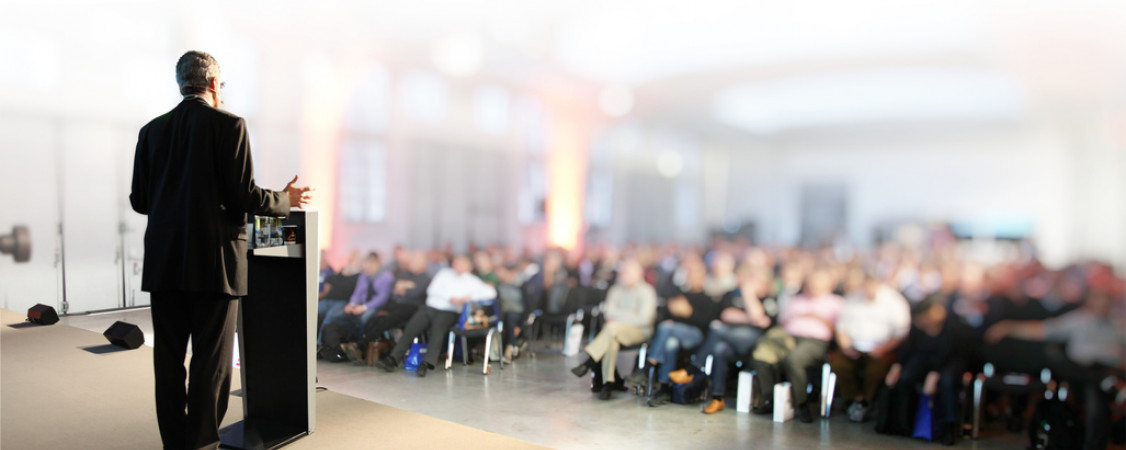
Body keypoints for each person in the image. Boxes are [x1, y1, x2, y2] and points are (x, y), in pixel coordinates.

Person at [129, 50, 313, 450]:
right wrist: (285, 198)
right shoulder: (230, 125)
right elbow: (243, 196)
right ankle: (201, 445)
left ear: (182, 83)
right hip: (216, 266)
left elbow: (140, 201)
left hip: (163, 264)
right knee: (211, 364)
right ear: (214, 84)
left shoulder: (151, 131)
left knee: (168, 363)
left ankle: (175, 444)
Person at [985, 290, 1126, 450]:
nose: (1101, 308)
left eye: (1105, 305)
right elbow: (1042, 330)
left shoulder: (1117, 325)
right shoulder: (1079, 320)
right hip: (1083, 372)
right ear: (1088, 304)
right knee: (1093, 387)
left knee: (1095, 388)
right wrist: (1008, 327)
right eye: (1097, 304)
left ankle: (1107, 390)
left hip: (1111, 371)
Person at [747, 268, 845, 422]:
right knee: (761, 356)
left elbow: (840, 331)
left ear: (830, 284)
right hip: (789, 337)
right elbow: (782, 322)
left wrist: (816, 317)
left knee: (794, 360)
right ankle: (769, 400)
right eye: (812, 281)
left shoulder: (836, 303)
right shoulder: (796, 300)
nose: (814, 284)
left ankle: (801, 403)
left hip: (815, 341)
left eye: (819, 281)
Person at [375, 255, 497, 377]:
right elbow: (432, 290)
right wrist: (450, 298)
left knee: (438, 330)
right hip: (431, 307)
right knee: (412, 327)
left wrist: (468, 298)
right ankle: (393, 359)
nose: (457, 265)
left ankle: (426, 363)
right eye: (456, 262)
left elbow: (491, 293)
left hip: (449, 311)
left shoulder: (472, 281)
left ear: (468, 266)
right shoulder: (444, 274)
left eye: (461, 263)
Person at [877, 298, 973, 446]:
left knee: (947, 381)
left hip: (951, 360)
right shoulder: (918, 327)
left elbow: (949, 352)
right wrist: (897, 366)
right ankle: (904, 421)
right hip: (924, 357)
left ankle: (949, 425)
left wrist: (935, 373)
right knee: (905, 377)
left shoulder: (953, 325)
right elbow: (909, 347)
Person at [689, 263, 773, 414]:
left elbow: (759, 317)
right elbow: (727, 315)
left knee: (718, 330)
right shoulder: (733, 294)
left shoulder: (768, 299)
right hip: (731, 338)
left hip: (755, 342)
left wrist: (749, 294)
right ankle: (717, 398)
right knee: (719, 349)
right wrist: (750, 319)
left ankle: (694, 368)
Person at [644, 257, 729, 407]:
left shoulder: (708, 298)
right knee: (671, 343)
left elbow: (706, 323)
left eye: (695, 272)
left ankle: (649, 365)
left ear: (703, 275)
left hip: (696, 338)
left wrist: (688, 313)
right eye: (689, 272)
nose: (691, 275)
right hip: (677, 335)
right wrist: (676, 312)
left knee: (666, 328)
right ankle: (664, 387)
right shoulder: (680, 293)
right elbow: (669, 314)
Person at [569, 259, 658, 400]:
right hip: (615, 332)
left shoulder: (647, 291)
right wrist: (631, 314)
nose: (624, 275)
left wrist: (619, 318)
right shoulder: (615, 290)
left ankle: (589, 361)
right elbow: (608, 312)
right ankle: (608, 383)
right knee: (612, 339)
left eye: (628, 272)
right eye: (622, 272)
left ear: (638, 274)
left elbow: (644, 320)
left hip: (639, 332)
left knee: (611, 327)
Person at [831, 274, 911, 422]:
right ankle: (856, 399)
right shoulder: (853, 299)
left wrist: (883, 349)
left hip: (883, 348)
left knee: (875, 371)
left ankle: (869, 402)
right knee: (838, 364)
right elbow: (841, 327)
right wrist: (846, 347)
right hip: (854, 346)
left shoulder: (894, 301)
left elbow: (901, 333)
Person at [320, 252, 393, 362]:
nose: (367, 268)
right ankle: (324, 344)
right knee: (336, 315)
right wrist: (352, 304)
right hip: (360, 305)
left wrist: (364, 307)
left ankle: (358, 344)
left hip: (376, 306)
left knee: (364, 317)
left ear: (376, 264)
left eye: (369, 265)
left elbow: (382, 298)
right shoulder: (364, 276)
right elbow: (357, 293)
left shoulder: (386, 277)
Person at [356, 250, 431, 348]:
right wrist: (408, 285)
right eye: (412, 260)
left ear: (423, 263)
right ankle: (367, 345)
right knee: (374, 318)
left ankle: (363, 344)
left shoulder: (425, 278)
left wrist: (403, 286)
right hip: (395, 304)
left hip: (411, 307)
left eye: (415, 261)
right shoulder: (405, 274)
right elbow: (395, 285)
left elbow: (414, 293)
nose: (411, 263)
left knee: (387, 320)